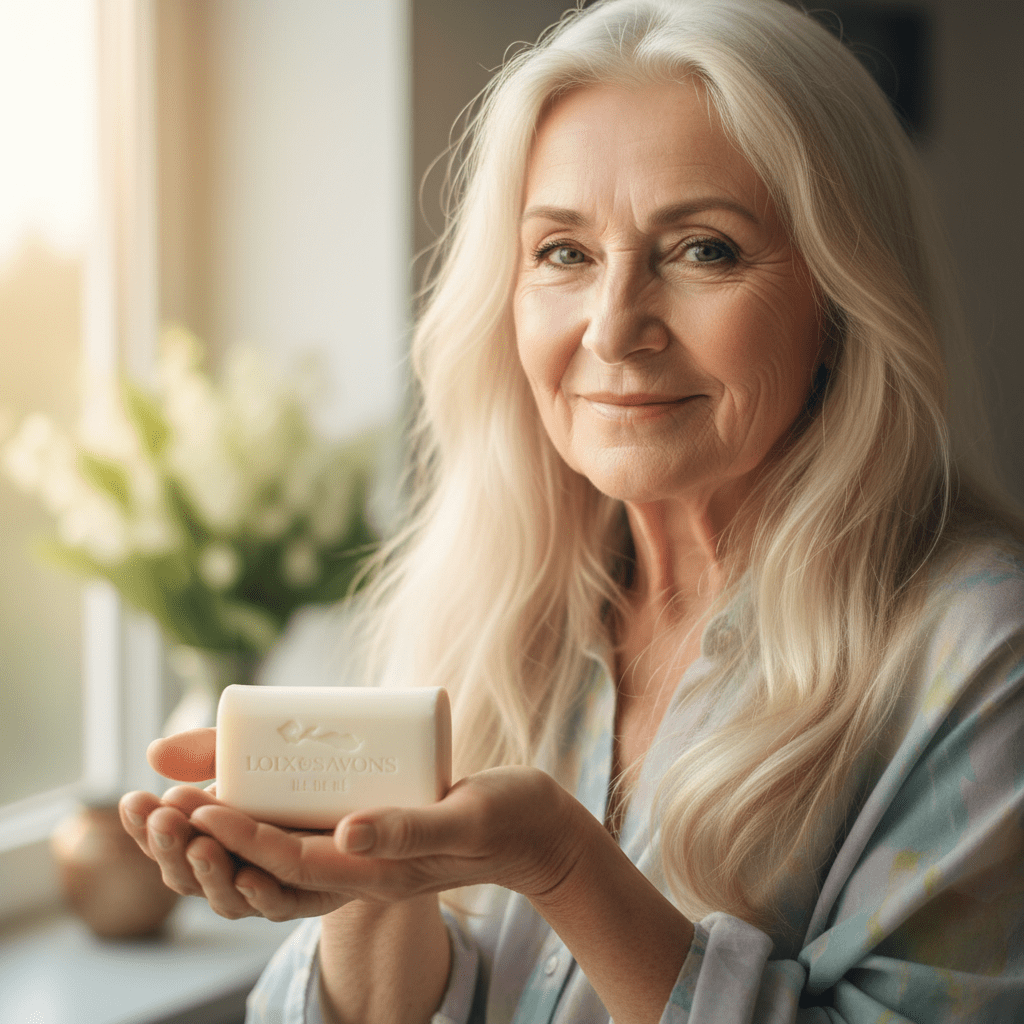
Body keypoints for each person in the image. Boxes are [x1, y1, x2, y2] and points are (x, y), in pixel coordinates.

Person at [120, 1, 1024, 1021]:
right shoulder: (494, 598)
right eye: (563, 253)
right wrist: (372, 882)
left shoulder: (980, 651)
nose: (614, 328)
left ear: (842, 300)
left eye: (704, 250)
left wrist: (561, 865)